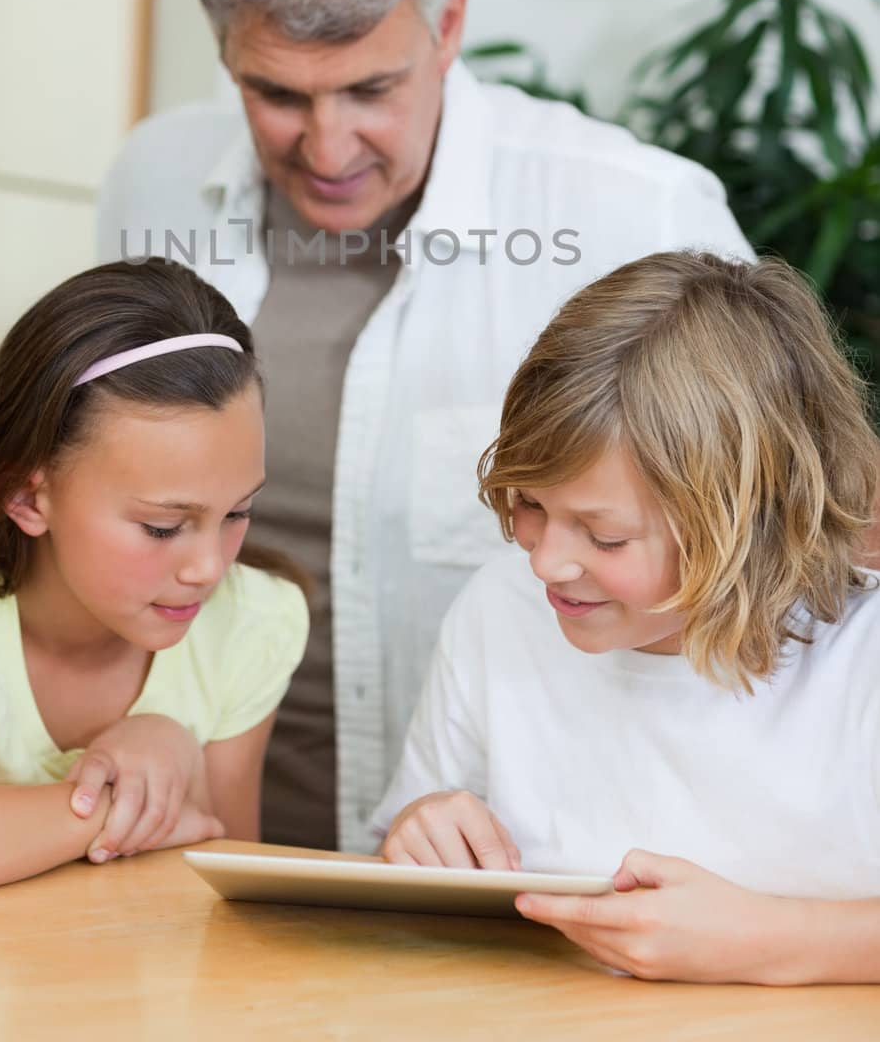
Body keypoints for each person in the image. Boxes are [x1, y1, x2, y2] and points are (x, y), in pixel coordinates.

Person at [98, 0, 754, 852]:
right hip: (194, 846)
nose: (327, 145)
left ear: (446, 22)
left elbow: (773, 553)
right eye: (275, 93)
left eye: (370, 88)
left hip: (518, 877)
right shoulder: (156, 177)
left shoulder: (638, 215)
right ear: (223, 47)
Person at [376, 251, 880, 984]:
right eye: (528, 505)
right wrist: (417, 831)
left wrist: (768, 940)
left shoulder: (861, 655)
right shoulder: (499, 607)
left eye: (604, 536)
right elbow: (408, 876)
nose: (546, 562)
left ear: (748, 522)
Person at [0, 259, 308, 902]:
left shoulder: (251, 620)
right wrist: (112, 805)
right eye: (162, 527)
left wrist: (176, 753)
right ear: (26, 493)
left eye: (238, 512)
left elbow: (226, 890)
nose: (209, 567)